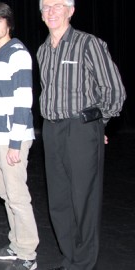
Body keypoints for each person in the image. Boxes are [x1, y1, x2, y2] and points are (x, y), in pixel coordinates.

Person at [37, 1, 126, 269]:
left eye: (57, 6)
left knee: (84, 199)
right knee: (59, 200)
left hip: (81, 128)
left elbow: (113, 90)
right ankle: (70, 258)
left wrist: (100, 124)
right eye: (46, 7)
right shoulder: (42, 50)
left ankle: (84, 263)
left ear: (70, 11)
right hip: (51, 129)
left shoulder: (89, 44)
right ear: (41, 14)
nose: (51, 11)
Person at [0, 2, 39, 270]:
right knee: (6, 195)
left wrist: (15, 143)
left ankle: (28, 252)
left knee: (17, 196)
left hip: (11, 138)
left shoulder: (17, 53)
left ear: (8, 23)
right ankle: (16, 244)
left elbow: (23, 102)